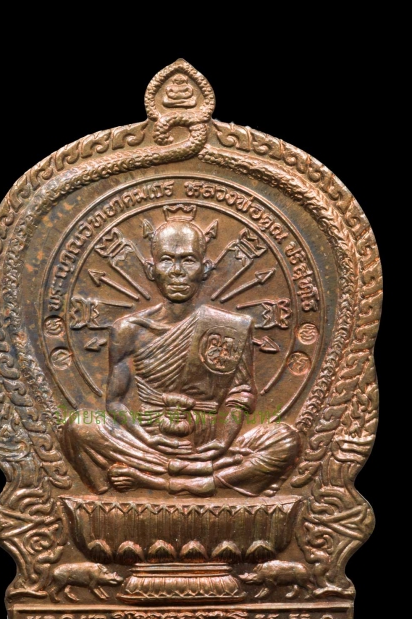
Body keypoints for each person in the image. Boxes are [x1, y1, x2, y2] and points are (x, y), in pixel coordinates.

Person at [62, 204, 300, 497]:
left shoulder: (231, 326)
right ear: (151, 270)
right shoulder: (128, 329)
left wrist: (223, 442)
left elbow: (241, 394)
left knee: (284, 440)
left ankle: (161, 481)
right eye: (166, 260)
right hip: (148, 445)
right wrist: (147, 439)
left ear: (205, 269)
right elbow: (114, 402)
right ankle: (190, 476)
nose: (177, 272)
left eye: (188, 260)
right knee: (79, 427)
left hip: (209, 448)